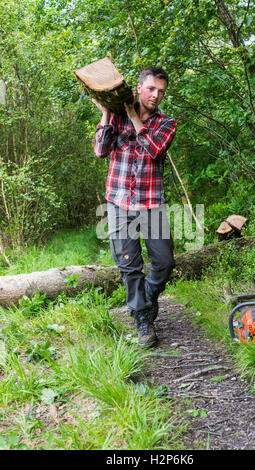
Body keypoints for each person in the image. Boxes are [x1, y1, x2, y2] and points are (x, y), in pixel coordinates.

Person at [93, 66, 177, 348]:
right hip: (119, 201)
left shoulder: (166, 123)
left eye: (161, 91)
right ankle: (142, 318)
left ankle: (148, 299)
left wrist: (134, 119)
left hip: (152, 202)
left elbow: (154, 149)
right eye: (151, 89)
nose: (156, 95)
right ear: (139, 88)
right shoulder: (116, 116)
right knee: (129, 266)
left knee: (164, 262)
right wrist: (106, 115)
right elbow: (100, 151)